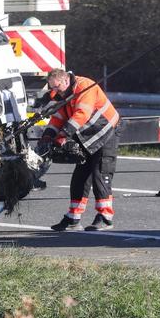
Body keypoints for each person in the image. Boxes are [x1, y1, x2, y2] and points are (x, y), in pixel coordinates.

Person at [37, 68, 120, 231]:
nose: (54, 92)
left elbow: (82, 114)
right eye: (51, 88)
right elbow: (58, 117)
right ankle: (74, 217)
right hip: (87, 136)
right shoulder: (62, 93)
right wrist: (48, 135)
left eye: (56, 87)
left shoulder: (85, 86)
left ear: (66, 81)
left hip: (106, 131)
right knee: (80, 177)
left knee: (100, 174)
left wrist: (63, 135)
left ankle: (105, 217)